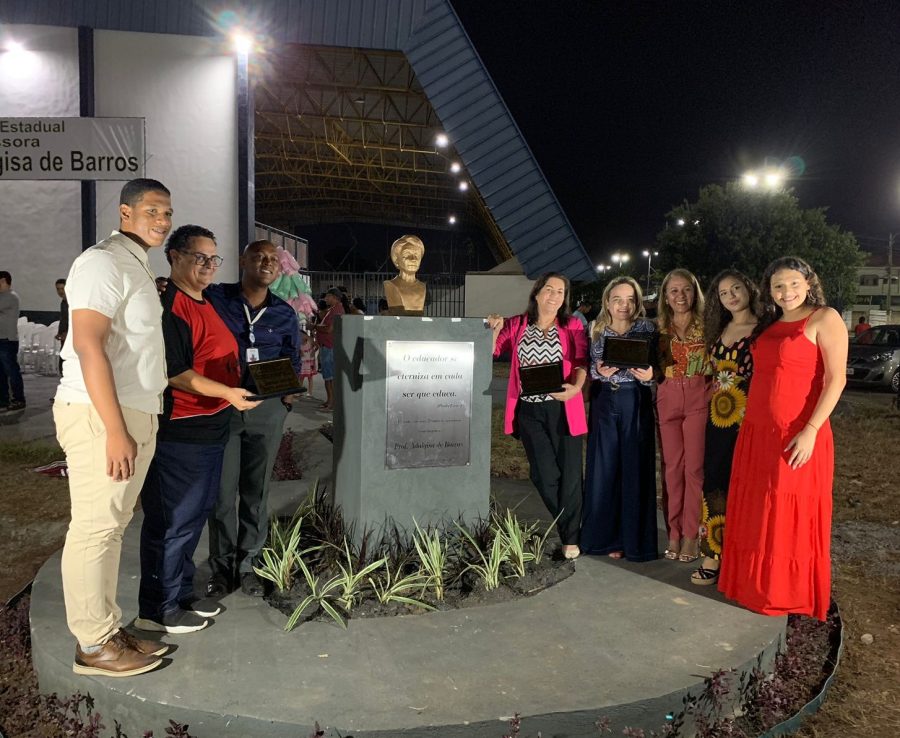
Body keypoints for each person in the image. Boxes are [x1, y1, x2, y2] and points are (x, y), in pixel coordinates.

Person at [53, 178, 173, 677]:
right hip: (104, 414)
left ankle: (106, 627)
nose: (162, 221)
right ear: (125, 213)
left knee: (113, 526)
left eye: (166, 212)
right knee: (95, 528)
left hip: (133, 410)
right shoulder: (102, 262)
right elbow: (87, 344)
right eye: (151, 211)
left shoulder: (136, 265)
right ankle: (93, 644)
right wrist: (116, 429)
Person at [135, 225, 259, 635]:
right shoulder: (169, 306)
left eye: (213, 258)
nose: (208, 265)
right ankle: (160, 608)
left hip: (211, 426)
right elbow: (175, 373)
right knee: (173, 520)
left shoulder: (203, 301)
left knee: (192, 518)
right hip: (182, 429)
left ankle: (182, 593)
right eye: (199, 257)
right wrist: (228, 391)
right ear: (174, 257)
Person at [719, 257, 847, 621]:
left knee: (786, 512)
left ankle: (781, 592)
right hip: (758, 432)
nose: (786, 292)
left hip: (798, 433)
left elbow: (835, 380)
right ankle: (751, 586)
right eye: (778, 286)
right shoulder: (772, 323)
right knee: (759, 510)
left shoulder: (825, 317)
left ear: (808, 283)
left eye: (793, 284)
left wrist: (811, 430)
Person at [205, 240, 301, 598]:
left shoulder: (284, 313)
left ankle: (249, 565)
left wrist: (286, 398)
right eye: (259, 256)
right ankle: (221, 567)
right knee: (222, 494)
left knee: (256, 492)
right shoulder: (217, 300)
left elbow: (292, 356)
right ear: (243, 260)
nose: (266, 263)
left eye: (273, 260)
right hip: (224, 407)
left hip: (267, 409)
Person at [487, 273, 588, 559]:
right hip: (529, 410)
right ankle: (578, 525)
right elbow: (493, 350)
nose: (555, 296)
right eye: (549, 290)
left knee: (569, 474)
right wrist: (494, 326)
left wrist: (576, 388)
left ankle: (571, 538)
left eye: (560, 291)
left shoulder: (572, 325)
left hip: (563, 407)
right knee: (543, 473)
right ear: (537, 293)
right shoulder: (517, 324)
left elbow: (581, 362)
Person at [581, 277, 657, 561]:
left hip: (634, 399)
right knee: (603, 470)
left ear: (637, 302)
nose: (624, 305)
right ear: (607, 302)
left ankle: (633, 541)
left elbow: (657, 366)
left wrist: (651, 376)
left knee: (634, 470)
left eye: (630, 299)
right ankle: (605, 538)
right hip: (604, 401)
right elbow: (590, 367)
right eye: (617, 299)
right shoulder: (596, 329)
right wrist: (600, 372)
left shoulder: (647, 328)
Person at [692, 270, 760, 586]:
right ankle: (712, 554)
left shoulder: (763, 330)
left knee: (746, 488)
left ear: (749, 289)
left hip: (749, 419)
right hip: (718, 418)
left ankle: (742, 558)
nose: (731, 295)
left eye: (736, 288)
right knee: (715, 483)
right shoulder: (719, 328)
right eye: (722, 292)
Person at [656, 269, 710, 563]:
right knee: (672, 469)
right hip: (667, 399)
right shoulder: (658, 328)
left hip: (698, 399)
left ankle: (691, 535)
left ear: (695, 292)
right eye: (674, 291)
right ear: (665, 296)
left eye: (686, 290)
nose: (680, 296)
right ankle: (673, 533)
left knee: (694, 470)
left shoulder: (707, 326)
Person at [314, 287, 345, 412]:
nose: (326, 299)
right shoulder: (332, 310)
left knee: (329, 377)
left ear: (334, 297)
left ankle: (331, 402)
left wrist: (314, 326)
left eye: (328, 296)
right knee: (329, 376)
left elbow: (328, 329)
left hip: (330, 347)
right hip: (328, 346)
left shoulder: (336, 310)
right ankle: (330, 400)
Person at [0, 271, 26, 412]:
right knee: (1, 373)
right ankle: (3, 400)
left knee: (11, 371)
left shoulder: (11, 297)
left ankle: (18, 399)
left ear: (4, 281)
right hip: (1, 339)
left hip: (7, 340)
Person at [383, 235, 426, 314]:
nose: (413, 259)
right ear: (396, 260)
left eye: (417, 255)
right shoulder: (390, 285)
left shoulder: (422, 286)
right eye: (407, 254)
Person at [55, 278, 69, 376]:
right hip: (64, 336)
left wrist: (67, 333)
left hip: (71, 335)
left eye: (62, 288)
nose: (60, 291)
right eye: (58, 289)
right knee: (63, 358)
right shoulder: (63, 302)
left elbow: (72, 320)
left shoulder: (71, 302)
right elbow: (63, 319)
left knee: (65, 359)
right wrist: (60, 333)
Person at [298, 329, 317, 396]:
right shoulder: (298, 342)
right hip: (303, 362)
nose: (301, 336)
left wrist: (313, 353)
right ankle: (300, 391)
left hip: (309, 362)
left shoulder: (309, 340)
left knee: (310, 377)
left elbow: (315, 346)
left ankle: (310, 392)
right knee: (301, 377)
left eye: (302, 335)